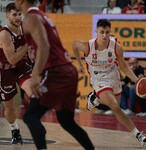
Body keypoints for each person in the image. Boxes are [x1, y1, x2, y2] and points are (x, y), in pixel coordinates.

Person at [14, 0, 96, 150]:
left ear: (21, 1)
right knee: (66, 120)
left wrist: (35, 76)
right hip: (67, 70)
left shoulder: (30, 18)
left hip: (56, 72)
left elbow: (44, 46)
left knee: (30, 116)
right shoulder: (43, 16)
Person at [73, 19, 146, 146]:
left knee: (116, 105)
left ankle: (94, 99)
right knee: (115, 107)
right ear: (96, 31)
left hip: (113, 76)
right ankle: (138, 134)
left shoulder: (116, 47)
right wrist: (80, 64)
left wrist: (138, 80)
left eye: (107, 32)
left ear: (110, 32)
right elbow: (74, 45)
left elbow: (124, 67)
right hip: (98, 79)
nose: (104, 35)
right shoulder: (87, 46)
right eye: (101, 32)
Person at [0, 3, 33, 144]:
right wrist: (28, 45)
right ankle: (14, 129)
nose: (18, 17)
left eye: (20, 14)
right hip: (6, 69)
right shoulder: (4, 34)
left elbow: (31, 51)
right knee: (9, 108)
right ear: (7, 16)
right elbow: (12, 59)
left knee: (34, 92)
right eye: (14, 14)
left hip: (22, 67)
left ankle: (35, 121)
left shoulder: (26, 28)